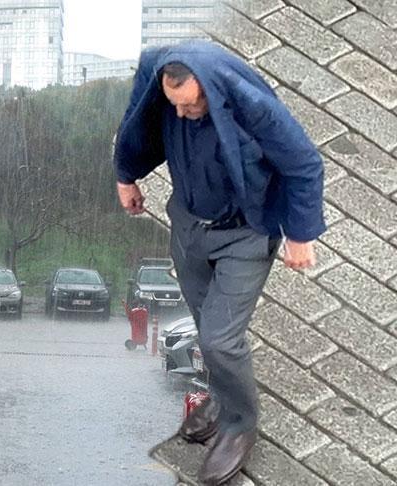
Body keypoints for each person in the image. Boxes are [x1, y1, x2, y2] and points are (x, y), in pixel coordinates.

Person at [113, 41, 324, 485]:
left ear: (209, 89)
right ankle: (222, 392)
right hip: (190, 226)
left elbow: (304, 163)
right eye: (176, 107)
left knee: (221, 339)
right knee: (206, 320)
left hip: (245, 231)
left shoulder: (251, 106)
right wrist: (126, 176)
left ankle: (239, 424)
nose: (184, 115)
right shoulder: (166, 91)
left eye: (191, 106)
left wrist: (301, 234)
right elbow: (138, 124)